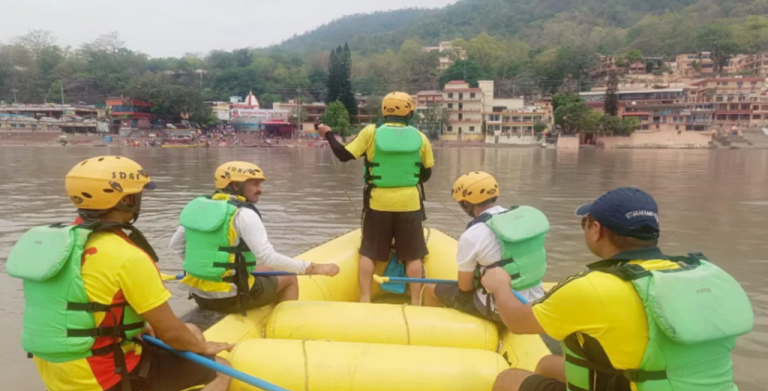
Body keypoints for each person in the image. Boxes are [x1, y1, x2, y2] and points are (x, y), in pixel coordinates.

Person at [483, 187, 753, 391]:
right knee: (547, 365)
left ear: (597, 230)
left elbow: (516, 321)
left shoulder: (593, 288)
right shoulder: (705, 275)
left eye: (585, 223)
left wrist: (500, 286)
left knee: (507, 383)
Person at [6, 156, 234, 391]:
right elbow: (171, 332)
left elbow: (83, 304)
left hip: (59, 378)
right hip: (101, 384)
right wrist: (202, 349)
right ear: (126, 200)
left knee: (193, 331)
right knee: (222, 370)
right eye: (137, 195)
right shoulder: (127, 256)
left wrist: (146, 330)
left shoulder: (58, 244)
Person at [170, 161, 339, 314]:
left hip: (200, 295)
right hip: (231, 297)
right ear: (236, 185)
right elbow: (268, 256)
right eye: (255, 184)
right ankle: (285, 325)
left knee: (263, 268)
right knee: (289, 277)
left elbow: (176, 245)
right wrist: (315, 268)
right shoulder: (243, 213)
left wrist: (208, 270)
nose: (261, 189)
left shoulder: (200, 208)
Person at [317, 92, 435, 305]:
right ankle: (416, 301)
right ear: (410, 112)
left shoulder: (371, 133)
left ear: (384, 110)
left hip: (378, 203)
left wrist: (328, 134)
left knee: (369, 252)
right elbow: (425, 174)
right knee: (413, 255)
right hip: (409, 203)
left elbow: (343, 155)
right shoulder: (420, 137)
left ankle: (365, 298)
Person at [422, 171, 549, 320]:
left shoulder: (472, 235)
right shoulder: (520, 220)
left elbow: (465, 287)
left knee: (430, 288)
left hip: (499, 310)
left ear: (465, 203)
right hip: (536, 300)